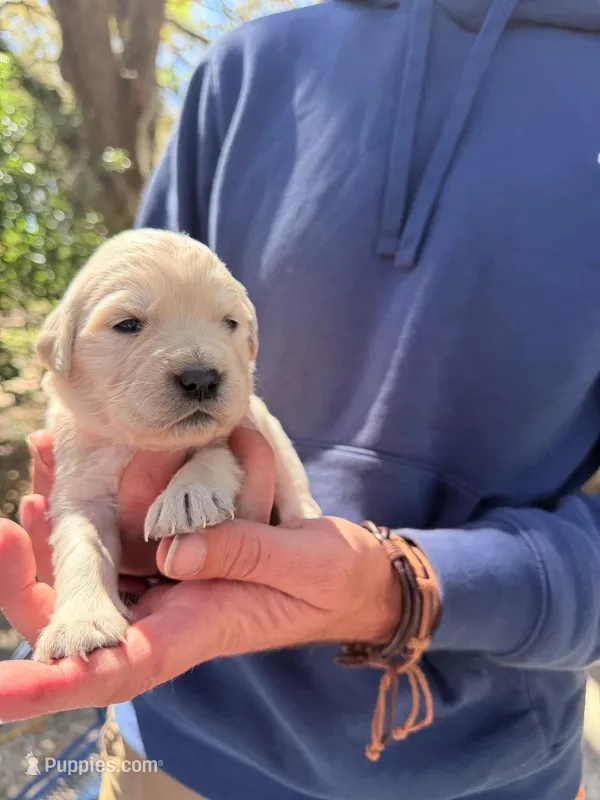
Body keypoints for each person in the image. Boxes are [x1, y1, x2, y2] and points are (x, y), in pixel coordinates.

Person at [1, 0, 599, 798]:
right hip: (165, 750)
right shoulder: (245, 69)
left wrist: (402, 586)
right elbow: (134, 314)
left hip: (487, 775)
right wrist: (98, 559)